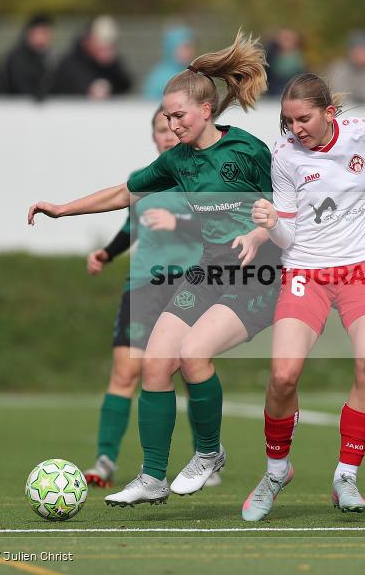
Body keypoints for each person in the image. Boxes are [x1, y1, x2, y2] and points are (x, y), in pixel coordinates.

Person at [29, 31, 278, 507]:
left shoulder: (247, 150)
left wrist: (260, 232)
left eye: (178, 115)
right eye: (167, 116)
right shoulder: (178, 161)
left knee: (192, 356)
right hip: (209, 270)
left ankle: (208, 454)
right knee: (155, 364)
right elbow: (125, 191)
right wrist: (63, 209)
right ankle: (152, 477)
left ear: (206, 110)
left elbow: (280, 205)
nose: (171, 123)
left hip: (255, 275)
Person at [243, 73, 365, 521]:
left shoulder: (363, 133)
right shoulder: (284, 157)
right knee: (282, 377)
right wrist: (271, 221)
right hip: (306, 271)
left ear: (329, 113)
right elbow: (287, 233)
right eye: (288, 120)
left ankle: (346, 476)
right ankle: (277, 471)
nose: (295, 128)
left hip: (362, 268)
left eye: (304, 119)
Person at [81, 106, 210, 489]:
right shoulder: (143, 180)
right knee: (125, 372)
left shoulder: (202, 177)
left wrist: (180, 222)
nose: (168, 134)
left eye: (174, 126)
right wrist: (107, 252)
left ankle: (203, 456)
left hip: (190, 284)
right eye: (161, 128)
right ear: (154, 136)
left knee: (190, 368)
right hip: (143, 286)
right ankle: (104, 460)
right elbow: (130, 224)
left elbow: (219, 224)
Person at [51, 15, 132, 99]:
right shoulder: (70, 63)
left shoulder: (111, 64)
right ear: (88, 40)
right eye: (100, 44)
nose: (104, 50)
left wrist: (112, 66)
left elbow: (125, 85)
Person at [4, 14, 54, 99]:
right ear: (31, 33)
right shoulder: (17, 58)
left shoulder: (46, 57)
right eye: (43, 32)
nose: (46, 37)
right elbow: (19, 87)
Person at [142, 26, 195, 100]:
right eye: (183, 47)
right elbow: (149, 103)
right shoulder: (158, 76)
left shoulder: (195, 74)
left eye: (189, 47)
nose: (187, 52)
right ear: (170, 48)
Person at [265, 28, 305, 96]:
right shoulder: (270, 57)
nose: (285, 42)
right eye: (283, 39)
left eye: (288, 39)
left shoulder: (299, 60)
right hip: (272, 97)